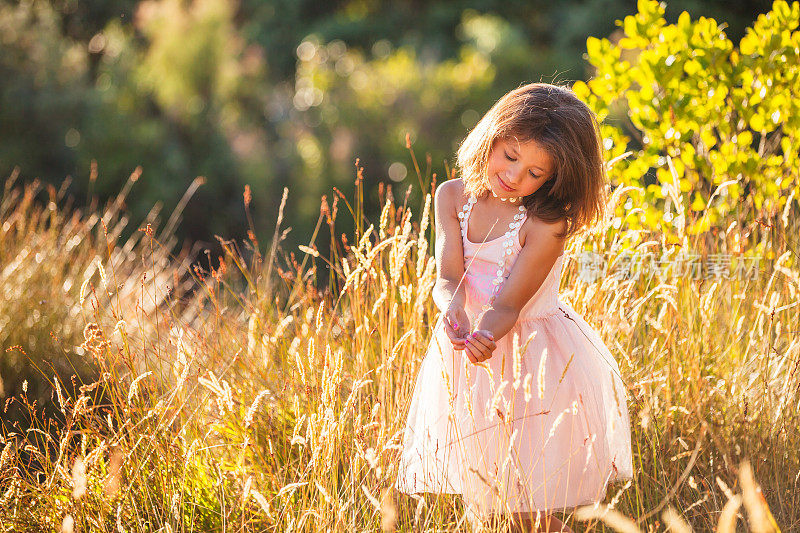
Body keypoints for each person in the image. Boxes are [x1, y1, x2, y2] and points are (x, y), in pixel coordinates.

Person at [395, 82, 633, 532]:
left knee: (526, 511)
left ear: (555, 179)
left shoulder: (546, 223)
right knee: (488, 504)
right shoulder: (452, 196)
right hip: (468, 357)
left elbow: (507, 305)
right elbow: (448, 279)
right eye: (510, 156)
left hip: (531, 360)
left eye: (535, 173)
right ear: (492, 135)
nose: (515, 176)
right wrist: (452, 310)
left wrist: (484, 333)